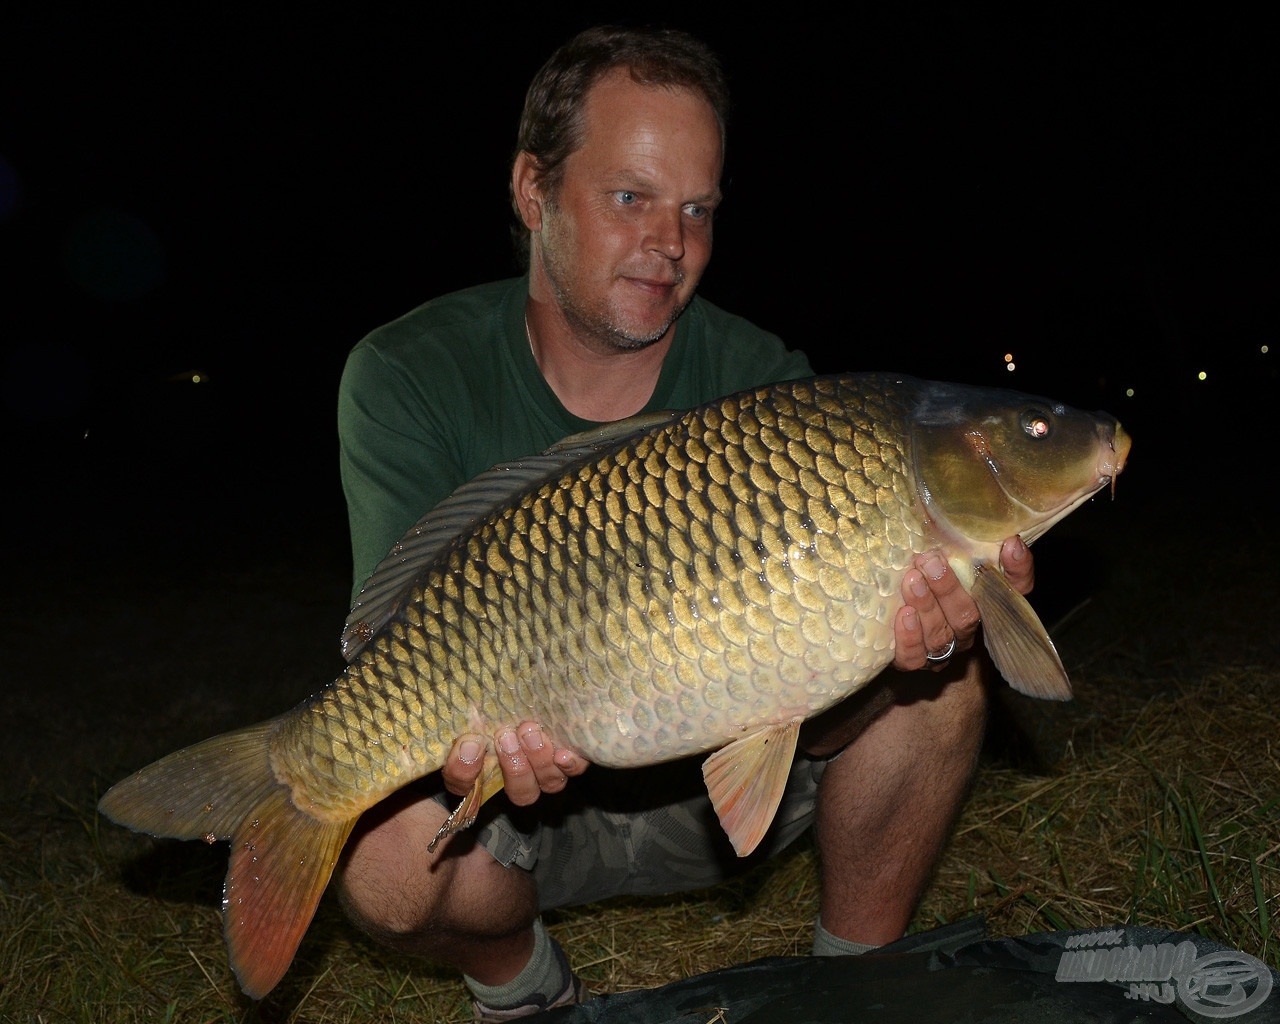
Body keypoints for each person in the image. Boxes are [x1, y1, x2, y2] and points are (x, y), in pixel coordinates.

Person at [335, 24, 1035, 1021]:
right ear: (533, 192)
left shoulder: (762, 386)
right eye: (631, 198)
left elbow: (821, 711)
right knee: (379, 867)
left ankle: (848, 987)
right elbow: (386, 644)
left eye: (695, 209)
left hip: (717, 790)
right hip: (523, 810)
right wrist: (470, 751)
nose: (670, 243)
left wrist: (890, 655)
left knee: (943, 672)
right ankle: (519, 981)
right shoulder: (405, 375)